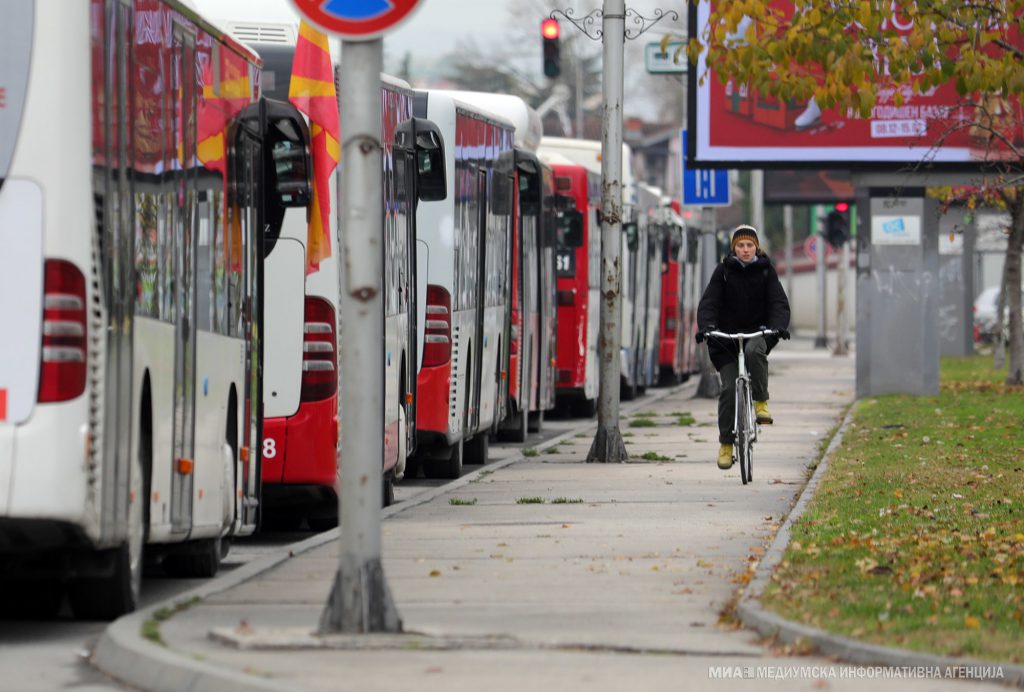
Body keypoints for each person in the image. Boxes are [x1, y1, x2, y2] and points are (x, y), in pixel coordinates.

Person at [696, 225, 791, 470]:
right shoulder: (723, 271)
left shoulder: (766, 271)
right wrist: (707, 326)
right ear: (733, 248)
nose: (745, 250)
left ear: (756, 247)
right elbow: (709, 302)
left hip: (757, 332)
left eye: (749, 245)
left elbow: (778, 303)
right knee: (728, 389)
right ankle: (727, 444)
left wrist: (778, 326)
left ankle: (761, 403)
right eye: (740, 246)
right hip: (726, 339)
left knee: (753, 352)